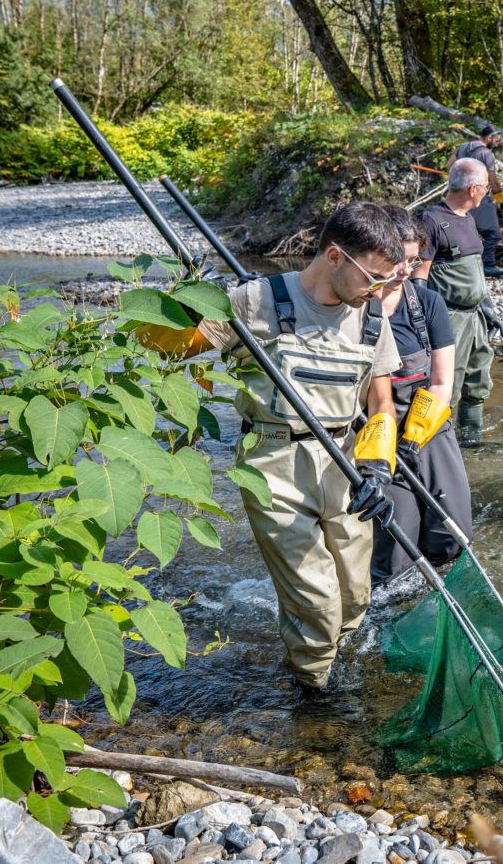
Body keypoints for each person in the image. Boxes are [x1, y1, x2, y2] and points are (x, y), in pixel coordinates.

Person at [133, 202, 405, 694]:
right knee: (318, 603)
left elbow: (382, 402)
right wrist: (186, 302)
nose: (383, 292)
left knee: (355, 598)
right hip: (273, 466)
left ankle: (325, 662)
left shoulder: (370, 317)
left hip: (346, 466)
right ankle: (316, 698)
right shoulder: (254, 301)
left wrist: (378, 470)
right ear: (336, 256)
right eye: (377, 278)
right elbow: (166, 350)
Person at [370, 206, 473, 584]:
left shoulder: (427, 305)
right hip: (376, 438)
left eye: (414, 261)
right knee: (397, 547)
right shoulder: (351, 307)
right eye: (399, 260)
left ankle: (439, 597)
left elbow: (442, 382)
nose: (406, 271)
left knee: (452, 535)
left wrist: (414, 438)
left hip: (427, 428)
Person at [412, 158, 503, 447]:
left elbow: (475, 270)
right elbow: (419, 277)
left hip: (477, 315)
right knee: (445, 385)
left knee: (478, 379)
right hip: (450, 318)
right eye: (486, 188)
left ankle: (472, 440)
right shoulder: (430, 220)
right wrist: (420, 323)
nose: (488, 193)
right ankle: (438, 446)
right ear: (473, 188)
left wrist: (488, 309)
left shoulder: (468, 218)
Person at [452, 125, 503, 278]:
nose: (496, 145)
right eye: (496, 141)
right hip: (478, 196)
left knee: (465, 231)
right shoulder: (486, 154)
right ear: (489, 137)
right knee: (492, 233)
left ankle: (462, 266)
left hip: (459, 196)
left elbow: (449, 165)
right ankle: (488, 266)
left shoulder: (464, 147)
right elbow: (493, 181)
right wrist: (502, 201)